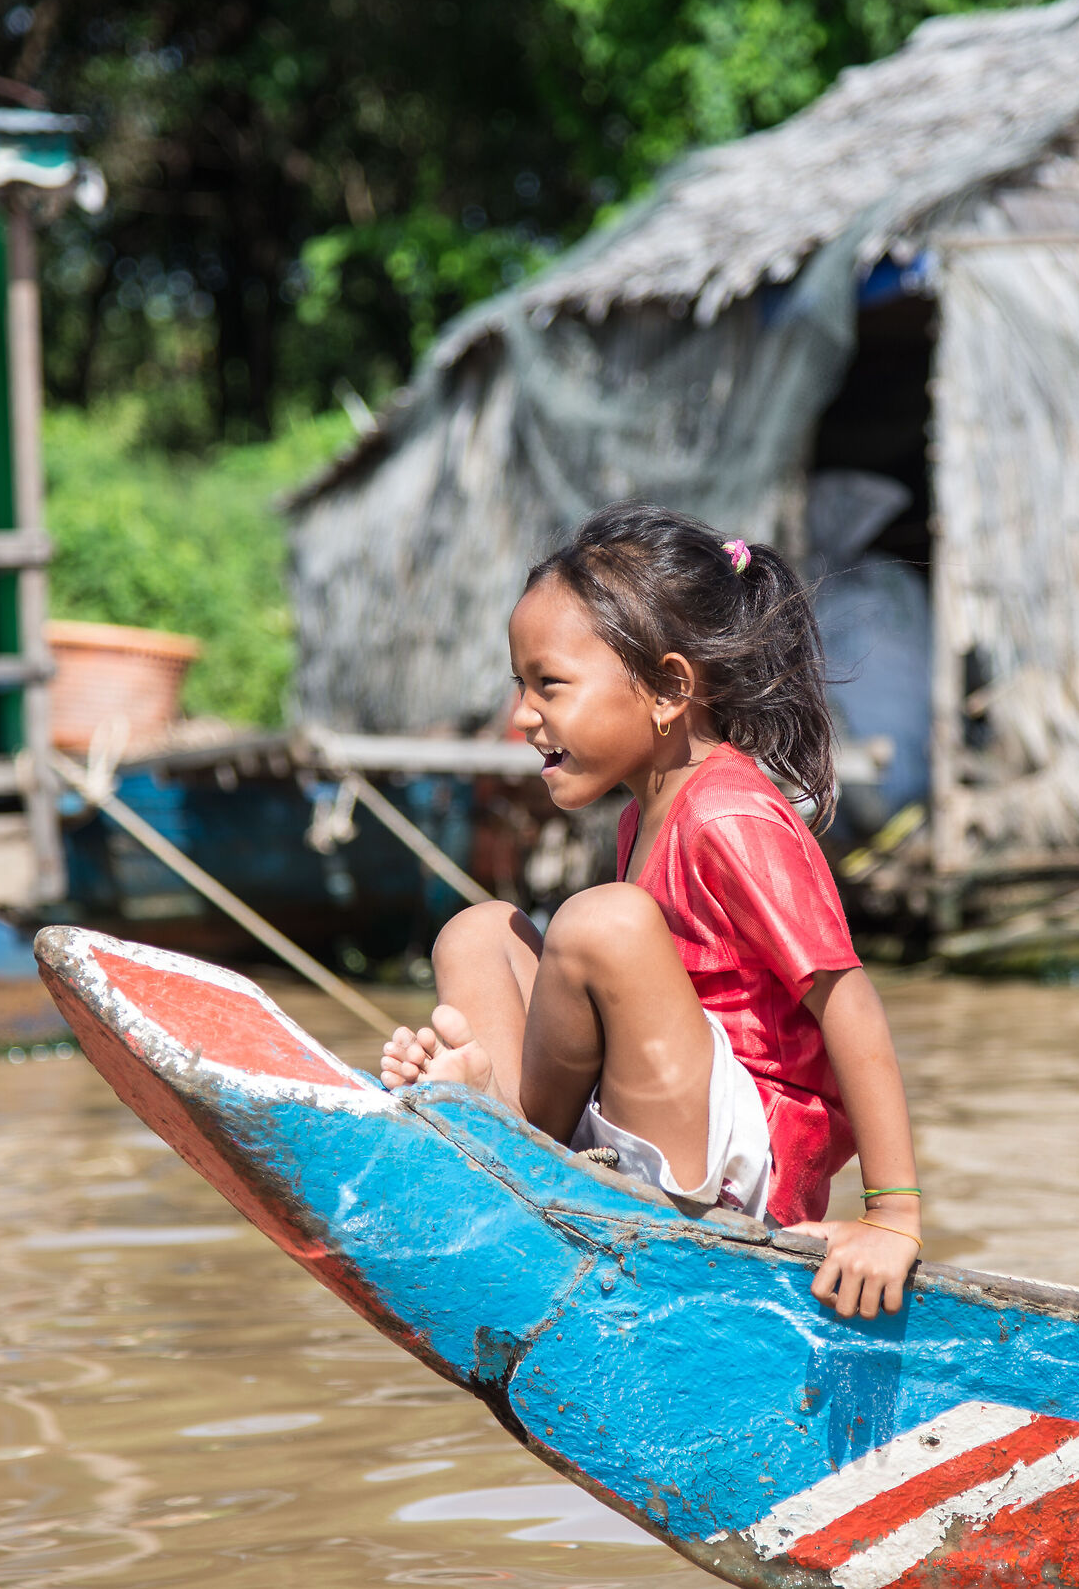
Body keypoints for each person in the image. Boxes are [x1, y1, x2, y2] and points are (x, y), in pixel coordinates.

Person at [380, 500, 923, 1319]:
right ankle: (506, 1130)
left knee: (601, 921)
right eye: (520, 686)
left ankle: (514, 1136)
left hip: (751, 1168)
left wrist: (892, 1214)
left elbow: (847, 1001)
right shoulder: (645, 813)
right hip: (668, 1124)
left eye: (549, 686)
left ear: (669, 688)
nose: (522, 717)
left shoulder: (731, 814)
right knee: (479, 930)